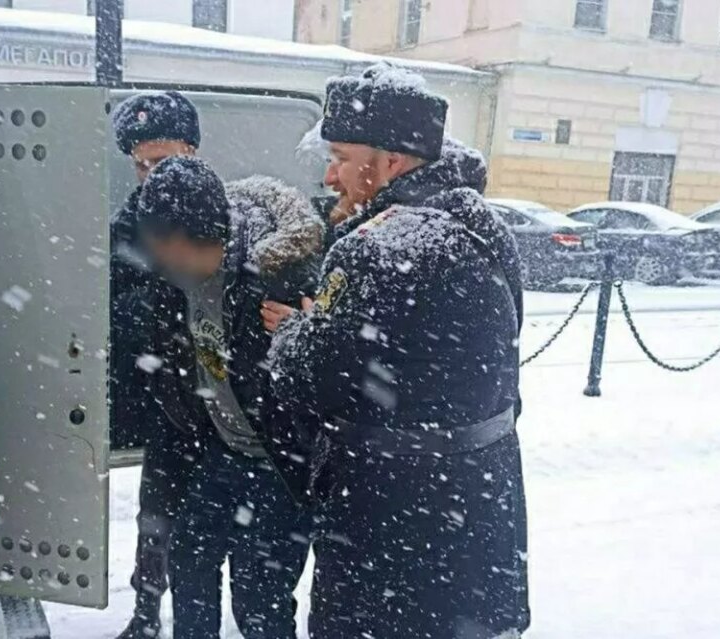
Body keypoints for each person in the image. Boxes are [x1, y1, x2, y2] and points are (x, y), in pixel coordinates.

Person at [267, 64, 531, 639]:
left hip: (393, 513)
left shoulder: (376, 245)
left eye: (340, 156)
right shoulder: (484, 223)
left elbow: (311, 381)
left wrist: (293, 331)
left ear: (390, 160)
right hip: (482, 498)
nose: (331, 175)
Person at [136, 156, 322, 638]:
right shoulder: (172, 276)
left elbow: (332, 375)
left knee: (260, 598)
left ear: (186, 239)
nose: (161, 265)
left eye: (166, 251)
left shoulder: (280, 276)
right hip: (221, 453)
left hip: (282, 465)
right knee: (190, 567)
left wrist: (308, 331)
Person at [110, 91, 203, 639]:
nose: (149, 175)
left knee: (215, 522)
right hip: (165, 399)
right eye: (141, 164)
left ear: (192, 152)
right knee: (157, 514)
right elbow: (118, 306)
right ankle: (146, 612)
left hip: (219, 399)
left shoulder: (222, 211)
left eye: (163, 162)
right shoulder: (129, 224)